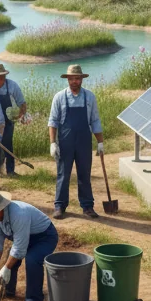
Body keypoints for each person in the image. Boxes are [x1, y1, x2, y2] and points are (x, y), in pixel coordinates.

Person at [48, 65, 104, 220]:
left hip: (84, 142)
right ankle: (60, 206)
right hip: (65, 142)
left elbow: (95, 121)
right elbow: (53, 121)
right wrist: (53, 143)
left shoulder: (90, 97)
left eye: (77, 78)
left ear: (82, 79)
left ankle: (87, 206)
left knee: (84, 174)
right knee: (63, 174)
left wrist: (100, 142)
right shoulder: (59, 97)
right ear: (67, 79)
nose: (74, 81)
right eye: (71, 78)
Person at [0, 63, 26, 178]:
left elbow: (22, 103)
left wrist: (20, 115)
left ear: (2, 77)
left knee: (8, 145)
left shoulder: (12, 86)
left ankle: (10, 171)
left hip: (8, 122)